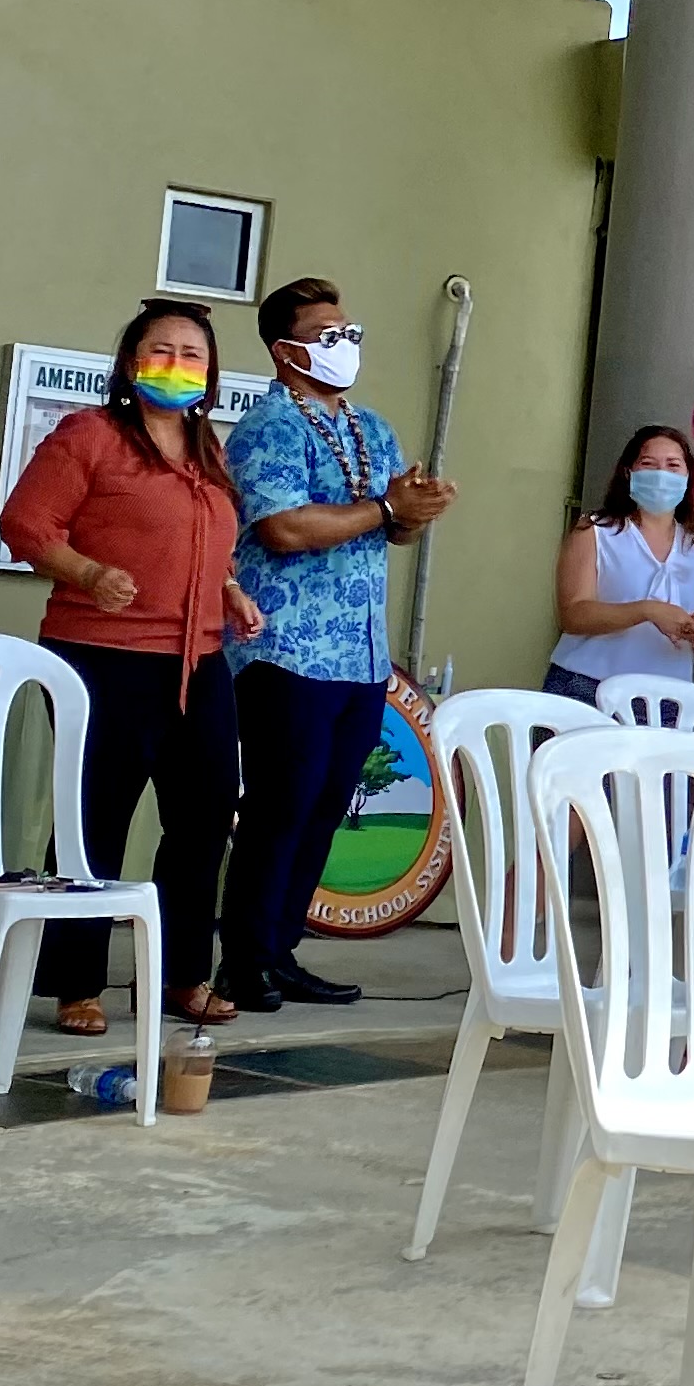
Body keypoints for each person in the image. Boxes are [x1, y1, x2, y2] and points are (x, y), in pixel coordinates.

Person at [0, 300, 263, 1032]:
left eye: (191, 354)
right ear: (129, 362)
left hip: (199, 660)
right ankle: (75, 983)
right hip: (101, 659)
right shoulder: (90, 435)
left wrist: (231, 590)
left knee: (204, 819)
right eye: (161, 350)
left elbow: (207, 545)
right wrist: (86, 573)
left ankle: (181, 976)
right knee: (96, 823)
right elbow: (25, 523)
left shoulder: (208, 451)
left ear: (209, 375)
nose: (176, 365)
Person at [218, 278, 454, 1012]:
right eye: (327, 333)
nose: (344, 344)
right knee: (279, 804)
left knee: (324, 804)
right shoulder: (267, 428)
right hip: (285, 649)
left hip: (359, 655)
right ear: (285, 348)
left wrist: (413, 512)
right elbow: (283, 529)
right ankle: (243, 960)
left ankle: (280, 950)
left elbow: (392, 527)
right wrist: (385, 507)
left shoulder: (370, 426)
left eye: (348, 331)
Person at [544, 425, 694, 705]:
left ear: (689, 477)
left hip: (668, 699)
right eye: (648, 464)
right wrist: (648, 610)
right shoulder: (595, 531)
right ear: (628, 473)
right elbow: (573, 615)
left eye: (673, 465)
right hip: (586, 689)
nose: (661, 474)